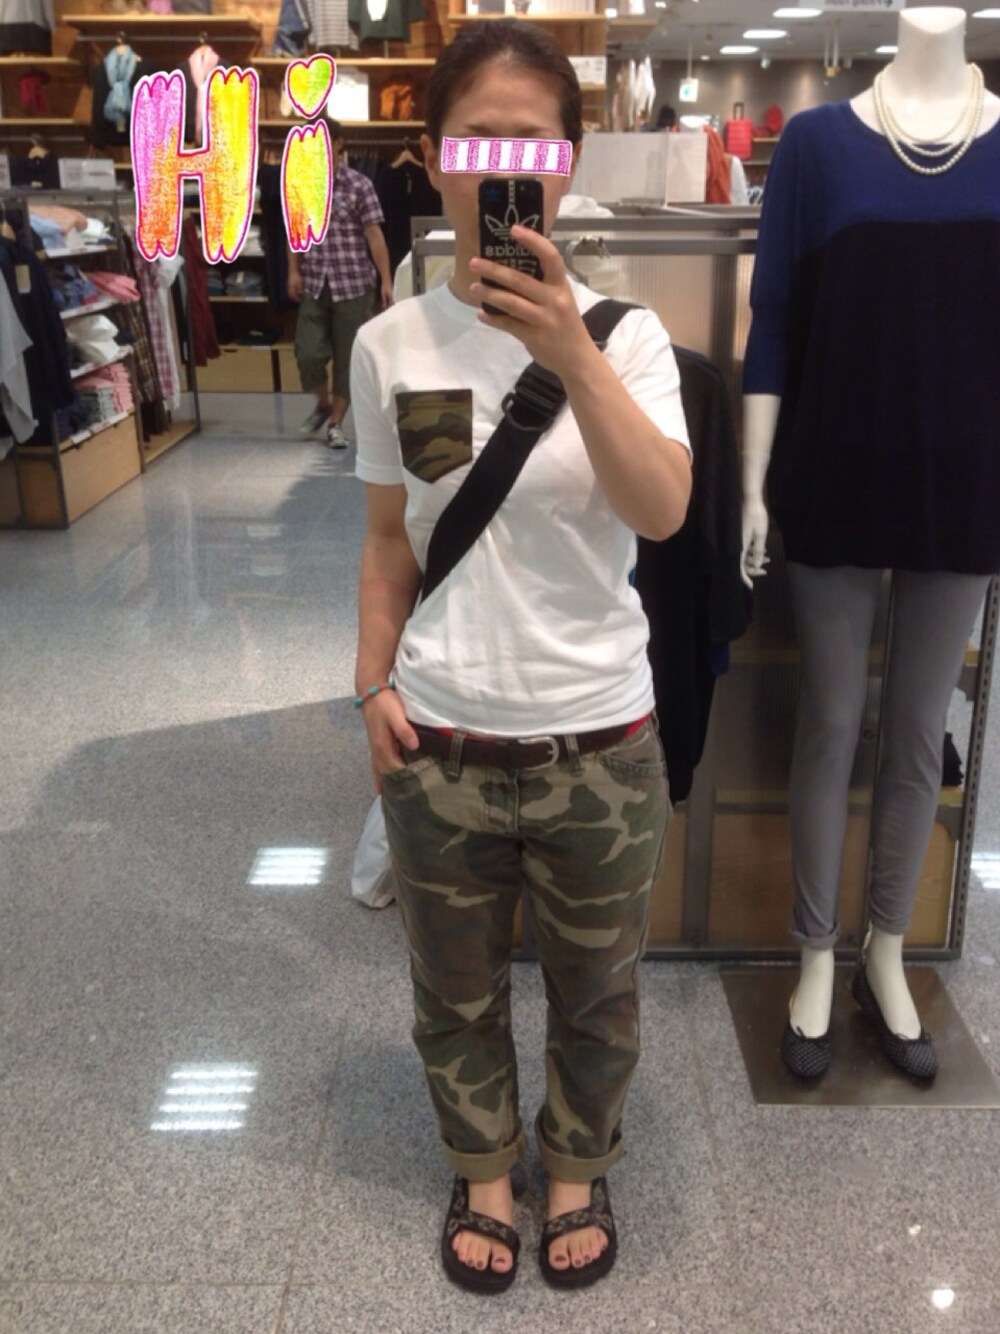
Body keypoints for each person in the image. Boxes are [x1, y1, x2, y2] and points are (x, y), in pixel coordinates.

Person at [351, 19, 692, 1294]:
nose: (502, 169)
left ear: (568, 161)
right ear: (436, 157)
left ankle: (576, 1166)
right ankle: (484, 1170)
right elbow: (387, 542)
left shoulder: (631, 338)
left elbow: (661, 510)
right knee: (454, 989)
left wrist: (569, 352)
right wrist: (370, 684)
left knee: (597, 993)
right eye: (476, 142)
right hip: (438, 738)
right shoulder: (390, 342)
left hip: (598, 738)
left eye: (531, 146)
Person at [741, 4, 1000, 1081]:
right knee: (831, 722)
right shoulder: (816, 144)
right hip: (834, 466)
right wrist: (752, 485)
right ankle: (814, 952)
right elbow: (773, 319)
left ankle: (884, 952)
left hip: (966, 481)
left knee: (916, 735)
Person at [287, 119, 393, 447]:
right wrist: (293, 271)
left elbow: (374, 235)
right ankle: (323, 404)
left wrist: (386, 280)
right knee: (308, 352)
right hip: (315, 281)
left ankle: (336, 423)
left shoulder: (359, 185)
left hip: (354, 283)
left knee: (348, 358)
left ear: (338, 143)